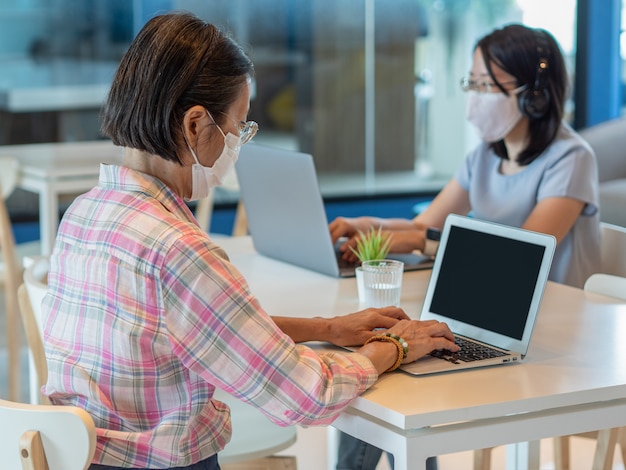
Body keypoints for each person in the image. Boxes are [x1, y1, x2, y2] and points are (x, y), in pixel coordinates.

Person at [40, 12, 458, 470]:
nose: (238, 143)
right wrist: (395, 347)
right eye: (238, 126)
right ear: (196, 124)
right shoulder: (177, 250)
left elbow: (187, 328)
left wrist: (327, 329)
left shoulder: (84, 213)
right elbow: (306, 396)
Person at [331, 23, 601, 470]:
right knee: (387, 372)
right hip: (488, 322)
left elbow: (520, 256)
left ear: (533, 95)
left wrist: (422, 239)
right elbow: (427, 224)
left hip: (552, 337)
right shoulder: (485, 155)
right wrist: (369, 224)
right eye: (471, 83)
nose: (474, 97)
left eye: (486, 85)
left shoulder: (571, 159)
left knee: (398, 375)